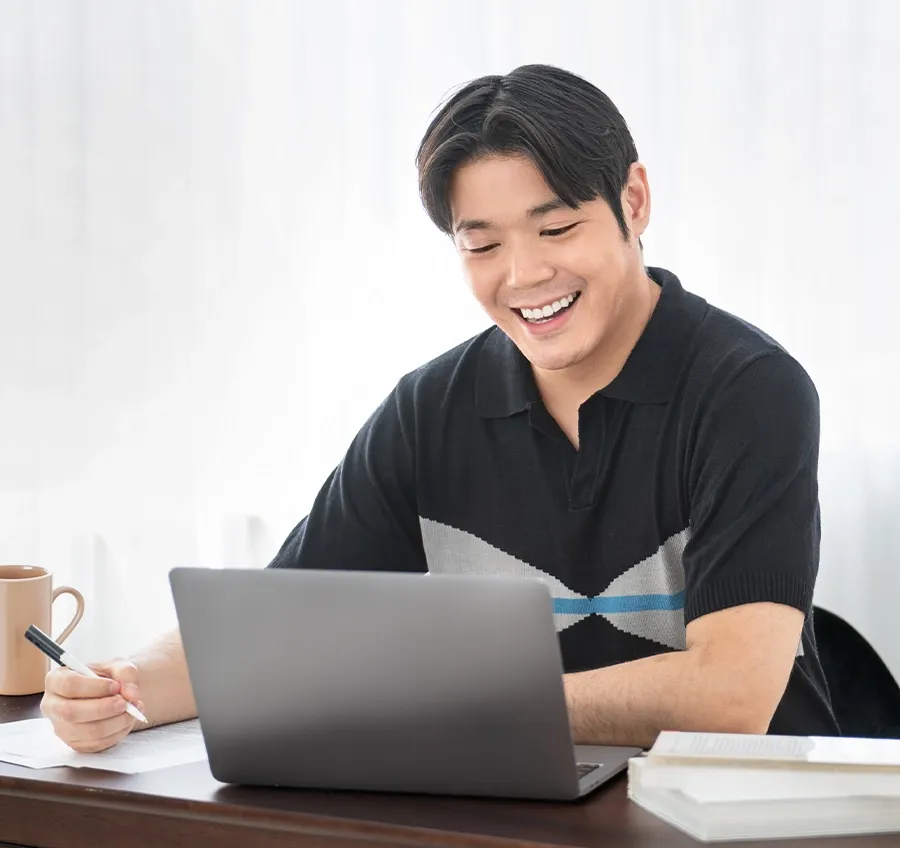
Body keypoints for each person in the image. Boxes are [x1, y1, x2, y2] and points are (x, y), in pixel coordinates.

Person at [41, 64, 839, 754]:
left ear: (633, 199)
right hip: (523, 815)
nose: (524, 275)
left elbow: (729, 697)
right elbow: (275, 632)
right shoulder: (432, 410)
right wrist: (124, 688)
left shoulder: (750, 392)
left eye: (556, 226)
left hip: (741, 837)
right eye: (482, 245)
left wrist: (443, 710)